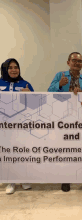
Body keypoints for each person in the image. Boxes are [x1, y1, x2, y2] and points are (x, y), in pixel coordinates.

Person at [48, 52, 82, 192]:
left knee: (81, 147)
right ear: (68, 62)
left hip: (80, 118)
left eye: (79, 61)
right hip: (63, 118)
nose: (77, 63)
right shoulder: (59, 76)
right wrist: (60, 85)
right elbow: (49, 92)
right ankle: (65, 179)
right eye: (74, 60)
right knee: (65, 149)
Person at [1, 58, 34, 194]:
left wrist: (30, 96)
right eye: (10, 67)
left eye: (16, 67)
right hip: (3, 126)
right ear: (5, 69)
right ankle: (11, 181)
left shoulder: (25, 84)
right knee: (8, 153)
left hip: (21, 125)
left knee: (22, 152)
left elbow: (36, 105)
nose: (14, 70)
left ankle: (24, 178)